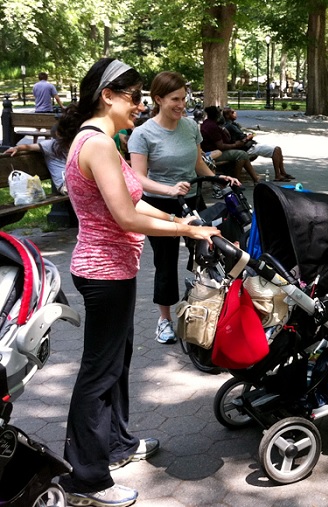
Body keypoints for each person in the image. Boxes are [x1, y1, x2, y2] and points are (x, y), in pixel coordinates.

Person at [55, 58, 221, 506]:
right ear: (107, 95)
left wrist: (178, 218)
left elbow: (134, 203)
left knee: (117, 361)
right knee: (98, 371)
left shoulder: (102, 139)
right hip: (103, 272)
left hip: (113, 269)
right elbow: (126, 216)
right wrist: (187, 231)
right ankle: (86, 480)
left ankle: (118, 444)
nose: (140, 105)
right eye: (134, 97)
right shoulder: (99, 145)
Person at [128, 72, 238, 345]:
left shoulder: (190, 126)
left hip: (191, 201)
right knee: (165, 263)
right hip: (158, 205)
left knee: (209, 252)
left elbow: (198, 163)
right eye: (174, 99)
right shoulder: (143, 134)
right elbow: (137, 177)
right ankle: (164, 321)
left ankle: (208, 312)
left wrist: (216, 177)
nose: (181, 104)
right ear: (158, 99)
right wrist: (168, 189)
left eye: (184, 99)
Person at [222, 107, 295, 181]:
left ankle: (282, 173)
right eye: (232, 112)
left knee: (278, 149)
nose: (235, 113)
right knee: (276, 149)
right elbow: (244, 138)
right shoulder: (231, 126)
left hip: (248, 146)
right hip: (247, 148)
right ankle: (278, 175)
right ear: (227, 115)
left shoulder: (231, 124)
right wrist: (251, 136)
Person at [200, 106, 260, 184]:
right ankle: (237, 181)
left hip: (215, 150)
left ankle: (255, 179)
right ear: (217, 115)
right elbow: (220, 146)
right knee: (242, 154)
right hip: (214, 153)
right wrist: (235, 145)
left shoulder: (208, 123)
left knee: (242, 154)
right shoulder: (212, 127)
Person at [4, 125, 67, 194]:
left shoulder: (72, 144)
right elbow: (29, 147)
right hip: (64, 184)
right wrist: (17, 148)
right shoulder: (50, 145)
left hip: (73, 181)